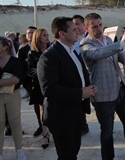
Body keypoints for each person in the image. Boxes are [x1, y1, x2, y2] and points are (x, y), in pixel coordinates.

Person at [80, 13, 125, 160]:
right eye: (94, 26)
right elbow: (99, 53)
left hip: (121, 91)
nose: (98, 29)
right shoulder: (85, 45)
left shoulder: (108, 39)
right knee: (107, 132)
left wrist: (124, 59)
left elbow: (116, 53)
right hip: (103, 96)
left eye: (100, 25)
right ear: (86, 27)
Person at [37, 16, 97, 160]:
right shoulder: (49, 56)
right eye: (74, 29)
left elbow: (78, 75)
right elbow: (49, 89)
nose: (78, 31)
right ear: (62, 34)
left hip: (76, 112)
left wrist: (88, 86)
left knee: (73, 151)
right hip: (61, 116)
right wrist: (80, 92)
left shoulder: (72, 51)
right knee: (67, 155)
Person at [0, 36, 27, 160]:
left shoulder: (14, 61)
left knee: (15, 122)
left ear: (5, 47)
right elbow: (12, 79)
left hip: (13, 95)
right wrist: (7, 80)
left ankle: (19, 150)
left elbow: (17, 79)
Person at [27, 29, 51, 149]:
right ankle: (45, 135)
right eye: (44, 36)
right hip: (39, 86)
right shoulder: (32, 54)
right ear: (38, 38)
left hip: (54, 84)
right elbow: (31, 71)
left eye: (47, 35)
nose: (47, 37)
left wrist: (40, 70)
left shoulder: (53, 50)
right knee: (43, 112)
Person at [72, 14, 89, 136]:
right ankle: (82, 123)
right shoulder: (73, 38)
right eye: (73, 24)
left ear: (84, 25)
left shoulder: (89, 37)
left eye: (77, 24)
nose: (75, 26)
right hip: (76, 74)